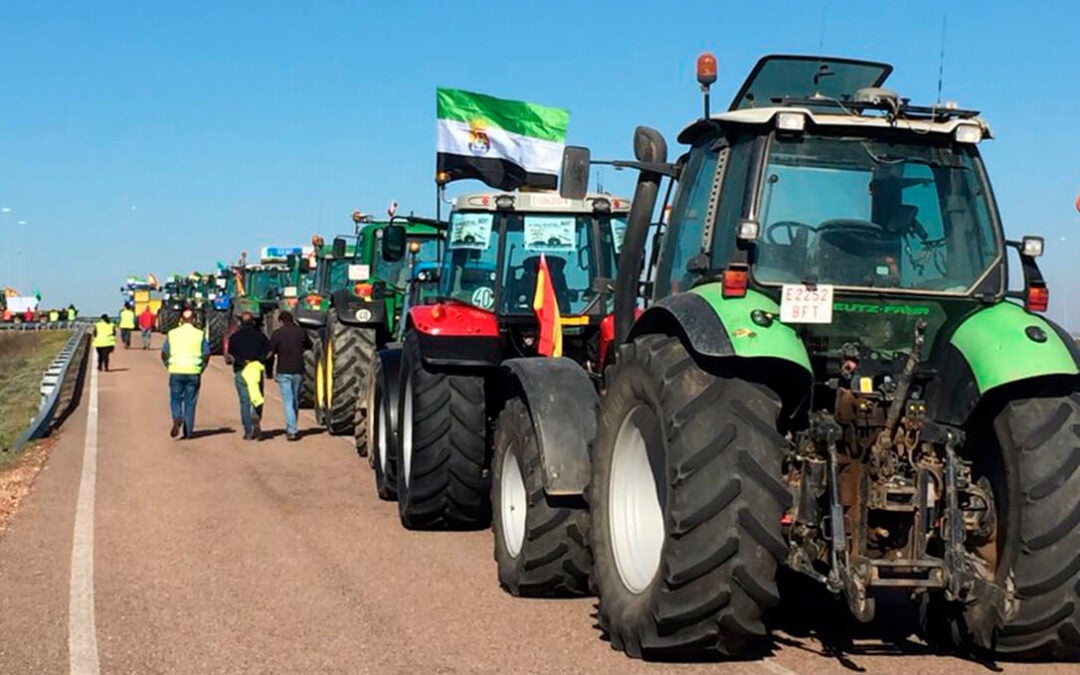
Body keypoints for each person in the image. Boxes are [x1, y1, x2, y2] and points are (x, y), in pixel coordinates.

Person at [161, 309, 209, 439]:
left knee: (175, 398)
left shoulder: (172, 333)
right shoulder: (200, 334)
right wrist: (201, 368)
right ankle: (188, 432)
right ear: (194, 319)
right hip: (193, 371)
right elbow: (206, 354)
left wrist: (169, 365)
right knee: (190, 402)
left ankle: (177, 417)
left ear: (181, 320)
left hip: (176, 370)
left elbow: (164, 353)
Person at [226, 311, 270, 440]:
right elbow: (269, 351)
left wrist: (239, 361)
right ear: (253, 322)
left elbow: (230, 355)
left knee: (244, 401)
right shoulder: (260, 336)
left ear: (240, 323)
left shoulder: (234, 337)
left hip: (241, 370)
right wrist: (261, 360)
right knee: (256, 396)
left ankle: (248, 430)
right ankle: (256, 416)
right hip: (256, 370)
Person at [269, 310, 312, 441]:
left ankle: (291, 429)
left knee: (288, 401)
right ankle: (292, 426)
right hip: (298, 370)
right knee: (295, 400)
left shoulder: (277, 334)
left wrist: (269, 370)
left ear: (281, 321)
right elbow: (309, 345)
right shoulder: (300, 332)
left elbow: (271, 353)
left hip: (284, 370)